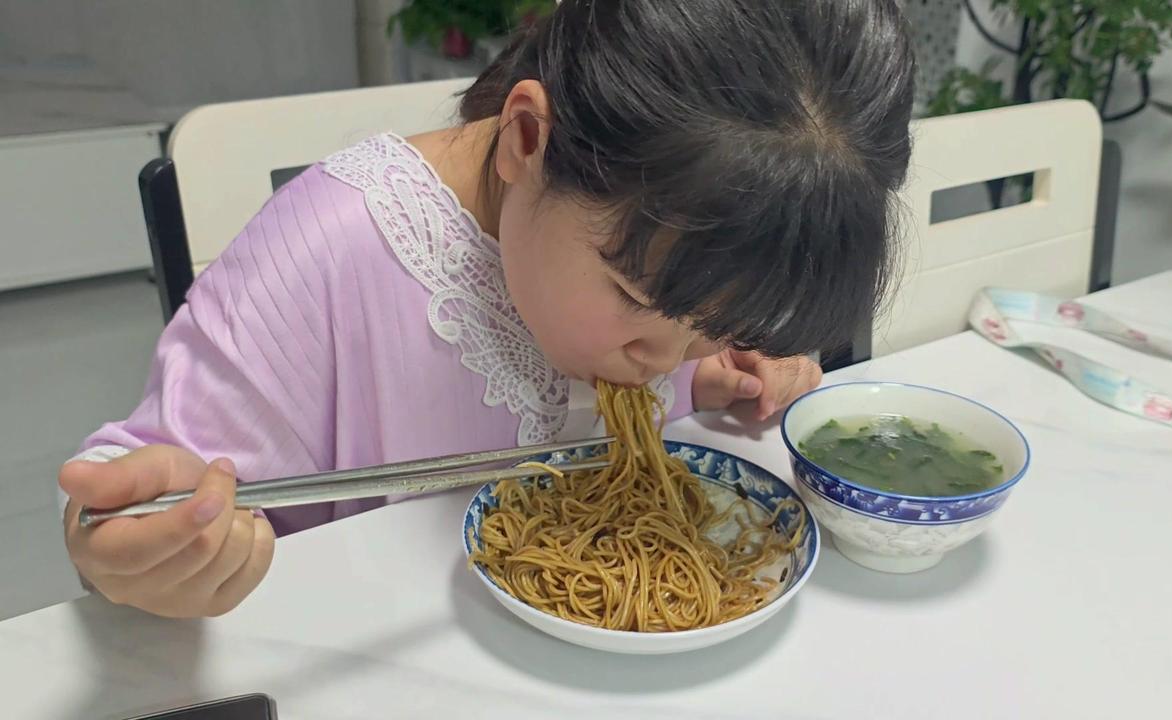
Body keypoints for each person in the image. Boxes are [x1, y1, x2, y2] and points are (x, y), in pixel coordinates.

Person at [58, 0, 915, 618]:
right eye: (636, 300)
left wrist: (715, 372)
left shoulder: (643, 298)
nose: (664, 357)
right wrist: (134, 552)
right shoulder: (331, 249)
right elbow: (137, 492)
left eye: (715, 324)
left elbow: (617, 385)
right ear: (526, 138)